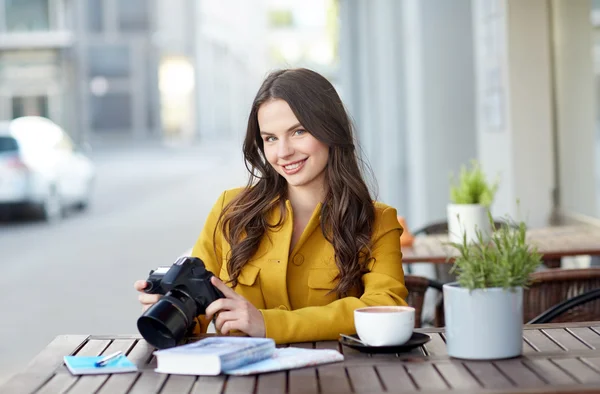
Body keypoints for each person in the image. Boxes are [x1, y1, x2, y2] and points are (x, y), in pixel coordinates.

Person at [135, 68, 408, 344]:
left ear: (330, 130)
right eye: (270, 138)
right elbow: (199, 311)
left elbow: (385, 305)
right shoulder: (230, 209)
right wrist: (171, 309)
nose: (283, 152)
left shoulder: (377, 220)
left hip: (338, 378)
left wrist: (267, 323)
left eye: (298, 131)